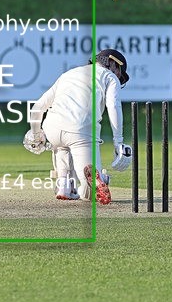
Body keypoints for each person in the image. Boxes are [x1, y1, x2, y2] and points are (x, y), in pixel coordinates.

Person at [23, 49, 133, 204]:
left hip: (52, 128)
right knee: (88, 194)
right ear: (113, 63)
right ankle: (98, 179)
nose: (119, 77)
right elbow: (114, 107)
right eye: (119, 73)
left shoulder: (68, 74)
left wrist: (36, 133)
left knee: (61, 147)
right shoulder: (110, 77)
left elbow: (37, 107)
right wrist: (118, 142)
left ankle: (64, 185)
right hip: (82, 131)